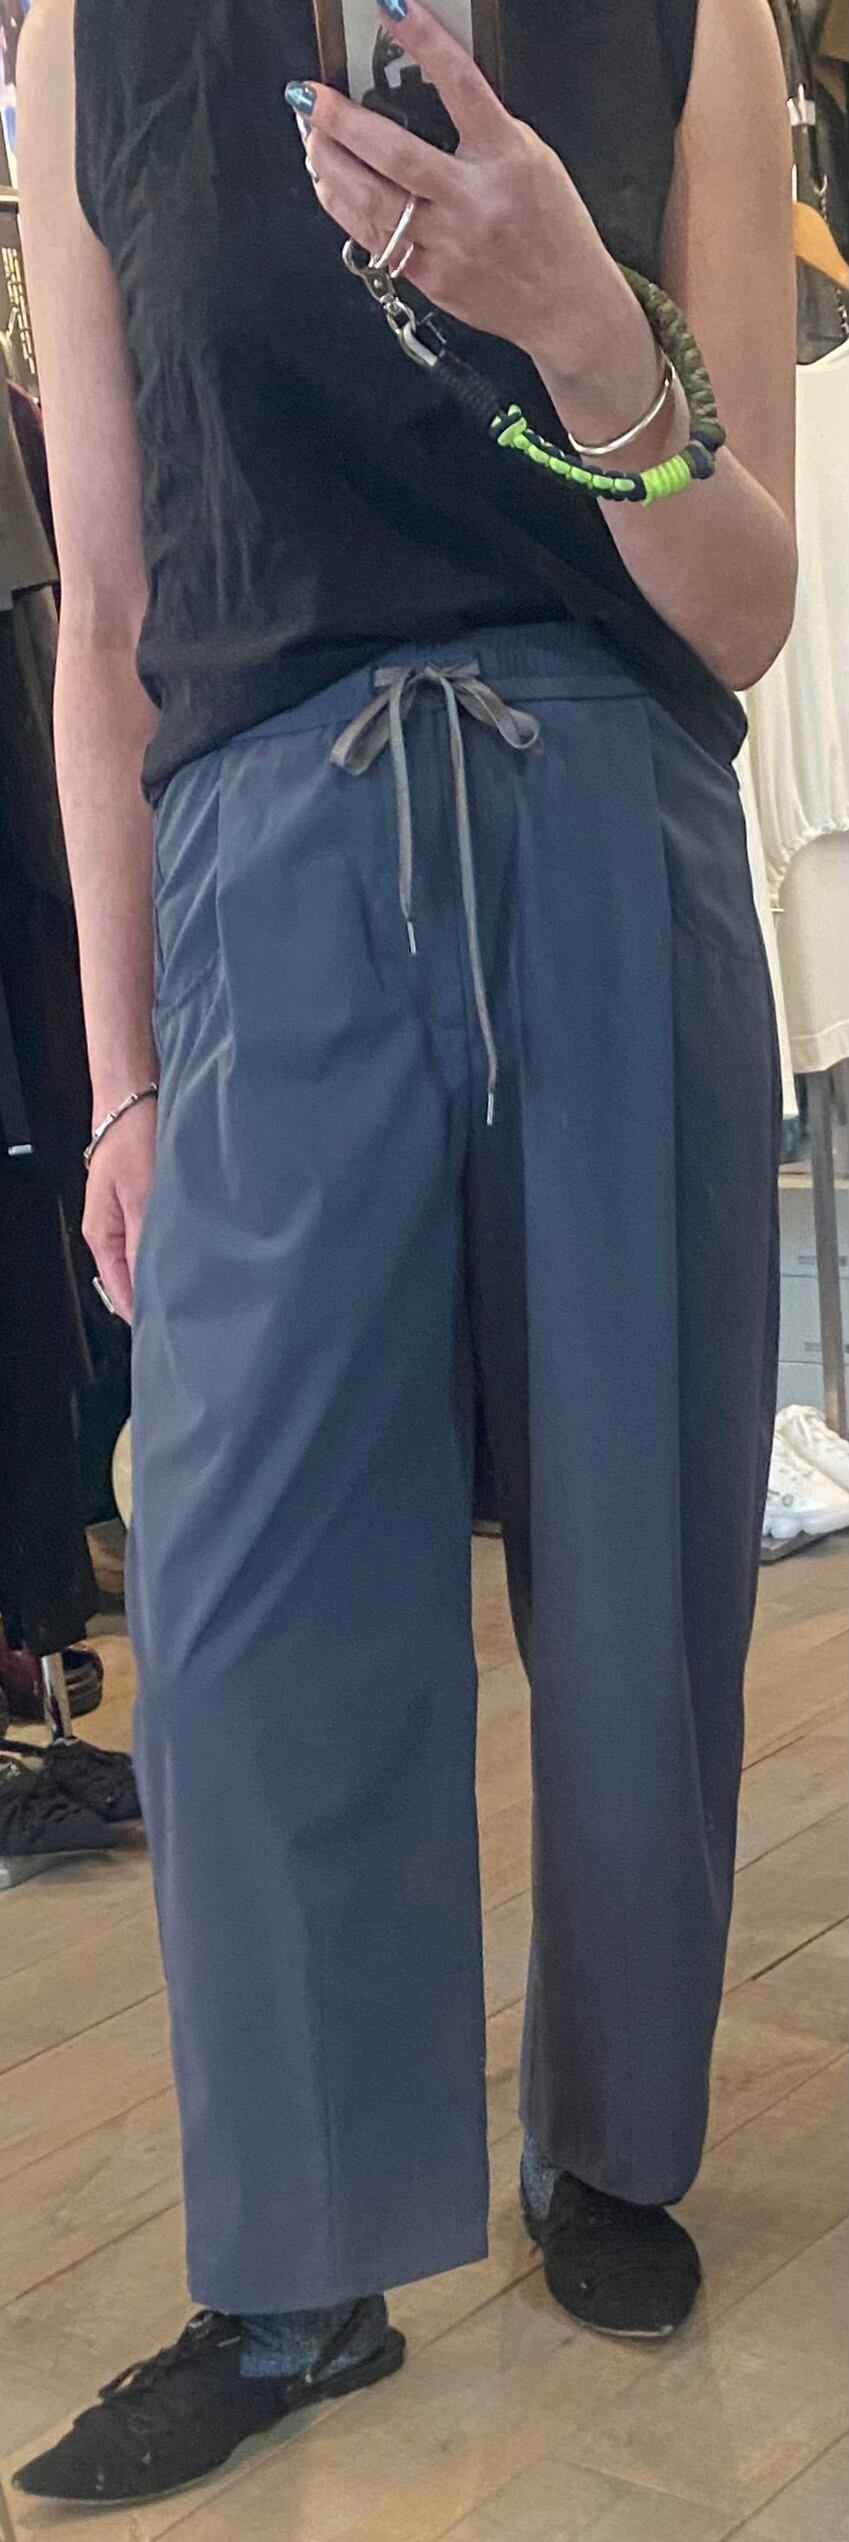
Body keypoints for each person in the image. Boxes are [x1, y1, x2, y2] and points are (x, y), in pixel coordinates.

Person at [15, 0, 795, 2508]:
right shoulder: (84, 44)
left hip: (607, 821)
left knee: (634, 1564)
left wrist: (585, 333)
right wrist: (120, 1075)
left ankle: (611, 2141)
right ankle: (294, 2264)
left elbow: (746, 604)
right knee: (242, 1605)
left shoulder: (691, 20)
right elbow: (107, 612)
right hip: (263, 868)